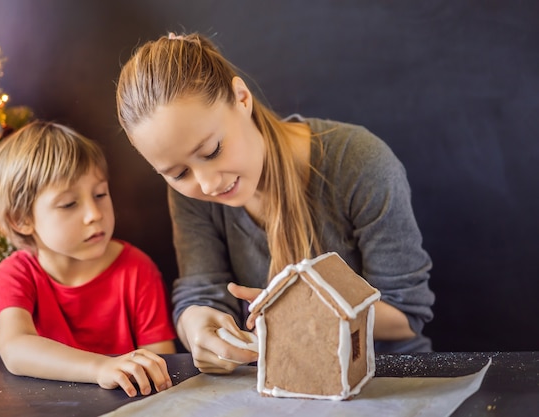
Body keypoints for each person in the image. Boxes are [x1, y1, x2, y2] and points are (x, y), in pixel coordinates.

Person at [115, 32, 435, 374]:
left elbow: (406, 317)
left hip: (384, 374)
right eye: (178, 173)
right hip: (273, 380)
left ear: (241, 98)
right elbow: (200, 291)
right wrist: (197, 327)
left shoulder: (360, 163)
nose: (207, 184)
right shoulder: (192, 195)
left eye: (212, 151)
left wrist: (304, 314)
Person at [0, 121, 176, 397]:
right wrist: (100, 368)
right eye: (69, 204)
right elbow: (15, 348)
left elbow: (161, 363)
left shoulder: (137, 269)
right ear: (21, 219)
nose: (94, 214)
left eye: (100, 194)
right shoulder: (16, 273)